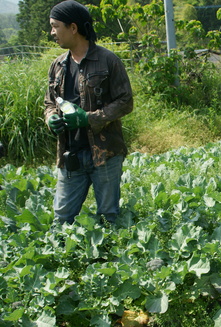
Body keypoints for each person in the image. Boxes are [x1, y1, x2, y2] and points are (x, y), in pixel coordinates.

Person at [44, 0, 133, 224]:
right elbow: (49, 102)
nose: (52, 32)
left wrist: (89, 118)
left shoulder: (108, 60)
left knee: (108, 215)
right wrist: (51, 117)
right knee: (62, 218)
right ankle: (63, 257)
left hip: (104, 153)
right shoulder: (57, 65)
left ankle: (107, 259)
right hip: (70, 154)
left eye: (55, 26)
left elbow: (125, 101)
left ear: (73, 28)